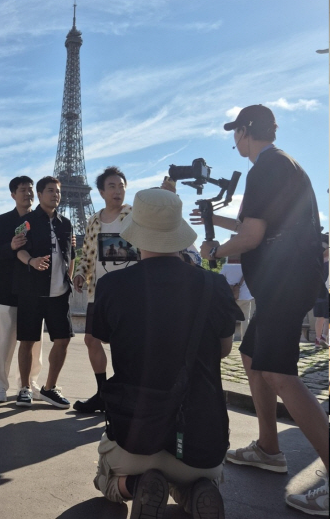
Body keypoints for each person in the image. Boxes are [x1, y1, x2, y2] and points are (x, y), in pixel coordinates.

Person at [196, 104, 328, 515]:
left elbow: (253, 237)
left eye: (235, 131)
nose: (233, 138)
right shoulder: (280, 165)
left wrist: (214, 250)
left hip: (285, 283)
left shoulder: (263, 168)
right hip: (287, 281)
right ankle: (270, 448)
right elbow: (262, 227)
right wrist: (216, 219)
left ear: (247, 131)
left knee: (277, 371)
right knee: (252, 357)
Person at [91, 188, 242, 519]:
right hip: (201, 443)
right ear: (178, 233)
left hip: (136, 435)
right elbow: (224, 349)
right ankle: (197, 490)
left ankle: (137, 485)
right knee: (200, 478)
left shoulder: (111, 287)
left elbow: (96, 340)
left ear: (136, 234)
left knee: (105, 478)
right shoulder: (214, 287)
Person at [72, 167, 135, 413]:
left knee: (125, 346)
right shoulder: (93, 220)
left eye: (121, 186)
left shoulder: (134, 215)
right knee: (90, 340)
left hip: (129, 292)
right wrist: (79, 273)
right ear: (100, 192)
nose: (118, 190)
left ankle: (125, 394)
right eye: (112, 186)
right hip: (99, 292)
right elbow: (87, 254)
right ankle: (102, 393)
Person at [14, 176, 75, 409]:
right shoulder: (26, 222)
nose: (55, 195)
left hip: (60, 292)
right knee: (28, 340)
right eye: (50, 191)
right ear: (39, 195)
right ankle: (25, 388)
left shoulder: (66, 223)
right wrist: (31, 261)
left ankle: (50, 388)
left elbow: (71, 253)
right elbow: (17, 250)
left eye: (58, 191)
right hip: (32, 291)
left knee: (63, 340)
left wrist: (70, 276)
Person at [0, 176, 44, 402]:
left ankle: (28, 383)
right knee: (4, 338)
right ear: (13, 194)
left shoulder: (41, 220)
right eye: (23, 190)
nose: (28, 193)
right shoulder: (1, 221)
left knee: (34, 340)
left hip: (34, 286)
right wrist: (10, 246)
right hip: (9, 286)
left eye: (31, 189)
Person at [219, 255, 255, 341]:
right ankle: (244, 339)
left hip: (230, 297)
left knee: (230, 318)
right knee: (245, 319)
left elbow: (220, 278)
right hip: (245, 297)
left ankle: (230, 339)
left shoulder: (226, 267)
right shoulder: (246, 266)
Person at [312, 234, 330, 348]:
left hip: (326, 290)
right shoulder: (317, 262)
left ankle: (323, 337)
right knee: (320, 316)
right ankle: (319, 339)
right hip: (320, 291)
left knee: (327, 316)